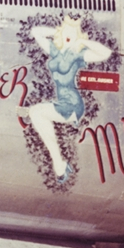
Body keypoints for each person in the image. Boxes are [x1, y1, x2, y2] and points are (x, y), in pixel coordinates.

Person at [20, 16, 111, 183]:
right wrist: (58, 32)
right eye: (66, 30)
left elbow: (106, 53)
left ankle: (59, 164)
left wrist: (83, 42)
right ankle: (59, 165)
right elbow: (36, 32)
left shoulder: (78, 54)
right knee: (36, 114)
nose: (69, 34)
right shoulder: (54, 50)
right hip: (61, 101)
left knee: (36, 112)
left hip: (72, 104)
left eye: (73, 31)